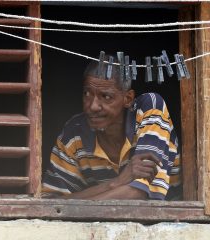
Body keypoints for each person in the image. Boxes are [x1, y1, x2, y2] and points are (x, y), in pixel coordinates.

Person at [42, 54, 181, 200]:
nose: (93, 106)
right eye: (87, 94)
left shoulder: (149, 109)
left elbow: (139, 195)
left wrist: (76, 203)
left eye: (106, 97)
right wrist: (115, 183)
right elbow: (50, 203)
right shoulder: (74, 133)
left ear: (127, 99)